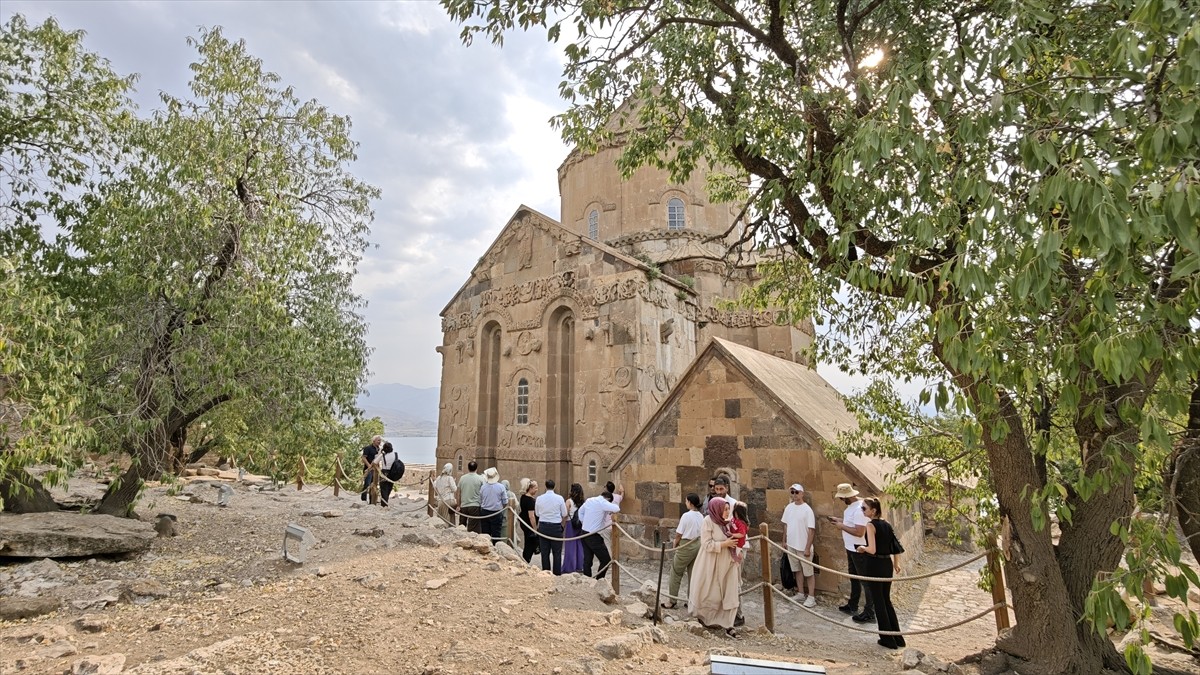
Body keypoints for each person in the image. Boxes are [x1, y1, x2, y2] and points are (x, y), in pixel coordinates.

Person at [687, 496, 743, 636]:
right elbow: (706, 544)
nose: (727, 511)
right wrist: (724, 544)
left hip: (728, 561)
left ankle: (728, 624)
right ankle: (706, 619)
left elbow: (736, 539)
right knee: (710, 591)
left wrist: (738, 550)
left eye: (728, 509)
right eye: (724, 509)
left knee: (729, 591)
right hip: (711, 561)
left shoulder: (728, 522)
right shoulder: (708, 521)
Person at [856, 497, 906, 650]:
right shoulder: (887, 524)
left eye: (864, 508)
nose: (863, 511)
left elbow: (872, 549)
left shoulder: (871, 526)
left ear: (873, 510)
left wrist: (861, 548)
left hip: (875, 565)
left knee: (879, 602)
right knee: (886, 600)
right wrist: (896, 564)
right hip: (886, 565)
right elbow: (896, 547)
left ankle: (887, 639)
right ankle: (897, 638)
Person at [828, 482, 874, 623]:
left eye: (843, 498)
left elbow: (860, 532)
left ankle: (869, 611)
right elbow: (852, 523)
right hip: (851, 547)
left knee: (865, 581)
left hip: (858, 548)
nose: (842, 500)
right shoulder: (852, 508)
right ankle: (853, 604)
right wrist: (840, 521)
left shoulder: (860, 509)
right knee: (854, 577)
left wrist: (841, 526)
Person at [662, 493, 703, 610]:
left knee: (676, 572)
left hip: (686, 544)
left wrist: (676, 544)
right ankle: (692, 600)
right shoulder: (701, 516)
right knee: (693, 573)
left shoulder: (686, 516)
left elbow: (679, 533)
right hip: (697, 544)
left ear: (690, 502)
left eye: (686, 501)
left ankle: (672, 600)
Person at [781, 483, 817, 608]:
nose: (794, 495)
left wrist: (807, 547)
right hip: (792, 544)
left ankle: (811, 596)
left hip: (803, 546)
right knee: (796, 569)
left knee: (808, 572)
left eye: (797, 492)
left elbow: (811, 530)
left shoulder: (807, 510)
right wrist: (784, 540)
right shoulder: (789, 508)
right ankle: (800, 592)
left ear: (802, 493)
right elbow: (786, 525)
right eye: (792, 492)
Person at [578, 485, 622, 579]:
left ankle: (587, 580)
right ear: (608, 499)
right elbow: (616, 508)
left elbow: (580, 512)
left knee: (587, 559)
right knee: (605, 559)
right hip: (593, 535)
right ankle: (599, 580)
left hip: (584, 532)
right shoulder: (602, 502)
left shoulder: (590, 500)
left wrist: (584, 522)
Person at [534, 478, 567, 574]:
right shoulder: (560, 498)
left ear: (545, 486)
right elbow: (564, 513)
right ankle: (557, 574)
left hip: (543, 526)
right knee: (557, 553)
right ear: (554, 487)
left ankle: (546, 572)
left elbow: (537, 513)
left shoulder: (539, 498)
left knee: (545, 552)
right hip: (556, 527)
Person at [478, 468, 507, 544]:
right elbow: (505, 501)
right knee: (496, 534)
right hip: (496, 512)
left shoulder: (483, 487)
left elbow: (480, 500)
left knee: (485, 534)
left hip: (485, 512)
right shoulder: (501, 487)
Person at [562, 483, 586, 574]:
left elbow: (565, 514)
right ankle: (580, 565)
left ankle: (569, 567)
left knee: (570, 545)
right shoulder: (583, 502)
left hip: (570, 523)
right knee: (579, 545)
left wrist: (562, 524)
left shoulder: (569, 501)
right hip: (580, 524)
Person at [457, 461, 484, 534]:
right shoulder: (480, 479)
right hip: (475, 505)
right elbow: (483, 492)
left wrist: (458, 505)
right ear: (476, 468)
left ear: (468, 468)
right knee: (473, 529)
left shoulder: (462, 478)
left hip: (464, 505)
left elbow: (459, 493)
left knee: (462, 526)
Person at [518, 478, 540, 563]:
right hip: (529, 524)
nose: (537, 490)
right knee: (529, 544)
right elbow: (531, 516)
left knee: (528, 542)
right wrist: (534, 529)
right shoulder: (530, 500)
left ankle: (525, 559)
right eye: (535, 488)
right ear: (530, 488)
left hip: (524, 522)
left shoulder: (523, 497)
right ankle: (526, 560)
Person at [378, 442, 402, 507]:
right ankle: (386, 502)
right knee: (389, 488)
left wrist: (380, 452)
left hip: (384, 473)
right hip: (393, 473)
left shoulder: (383, 456)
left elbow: (375, 462)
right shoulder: (395, 454)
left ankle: (384, 504)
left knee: (383, 489)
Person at [360, 435, 382, 502]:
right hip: (368, 469)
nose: (379, 441)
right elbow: (363, 458)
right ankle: (363, 499)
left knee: (374, 484)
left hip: (376, 470)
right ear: (374, 441)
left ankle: (372, 499)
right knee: (367, 484)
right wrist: (369, 466)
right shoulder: (368, 448)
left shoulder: (379, 449)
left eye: (380, 440)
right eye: (378, 440)